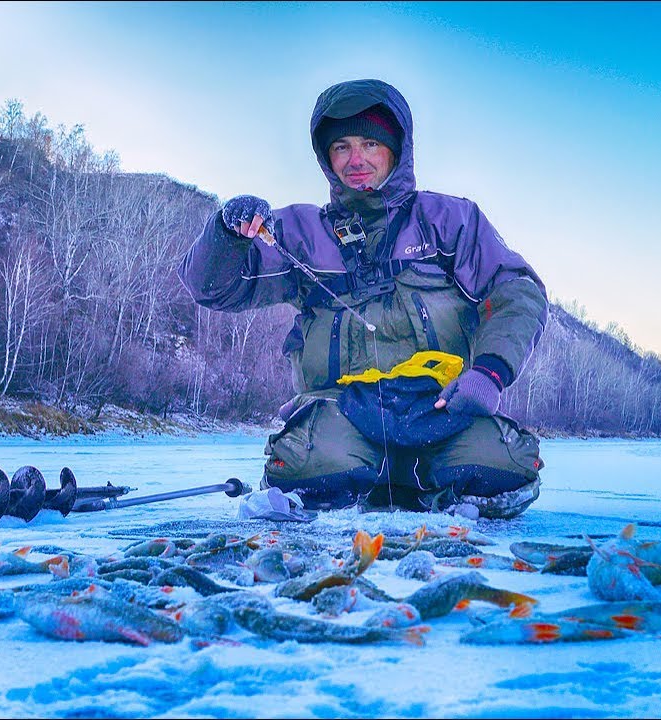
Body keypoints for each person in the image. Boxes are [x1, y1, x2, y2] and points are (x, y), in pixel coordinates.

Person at [178, 79, 549, 519]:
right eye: (341, 147)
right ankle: (354, 478)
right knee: (302, 469)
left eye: (370, 143)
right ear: (325, 157)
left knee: (505, 467)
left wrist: (489, 374)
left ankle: (430, 479)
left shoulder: (450, 221)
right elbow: (213, 287)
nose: (356, 160)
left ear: (397, 149)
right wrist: (225, 233)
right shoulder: (298, 233)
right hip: (343, 414)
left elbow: (517, 290)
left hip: (443, 407)